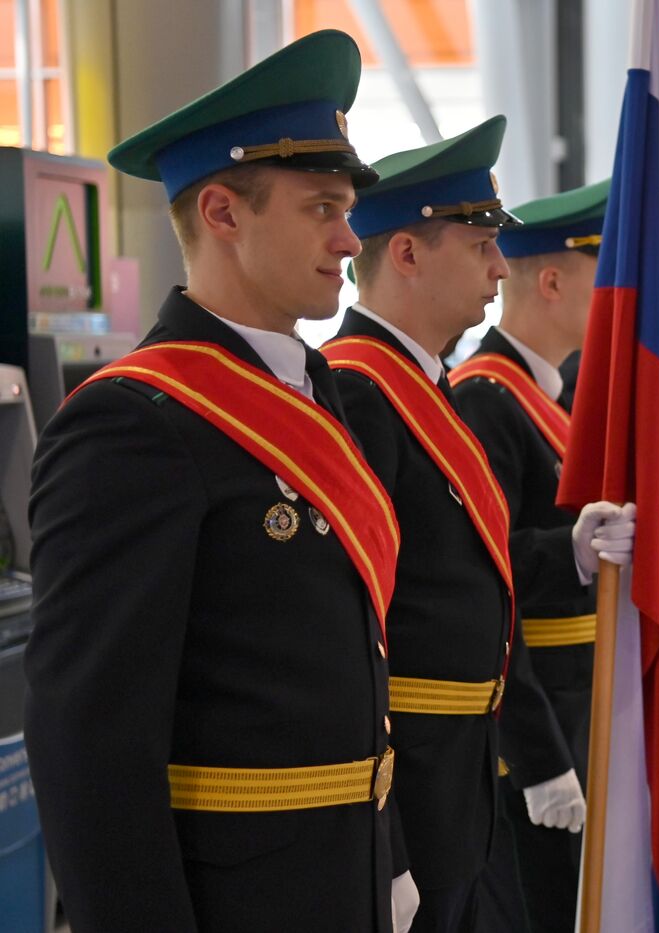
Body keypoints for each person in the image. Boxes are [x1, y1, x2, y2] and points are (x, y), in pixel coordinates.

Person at [24, 31, 415, 932]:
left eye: (348, 208)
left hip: (342, 874)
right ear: (224, 213)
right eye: (322, 207)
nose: (350, 238)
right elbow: (90, 744)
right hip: (232, 897)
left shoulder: (317, 391)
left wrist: (383, 854)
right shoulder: (132, 422)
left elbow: (356, 665)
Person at [448, 180, 636, 933]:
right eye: (603, 279)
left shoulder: (550, 394)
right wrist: (572, 551)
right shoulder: (487, 399)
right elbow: (478, 572)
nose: (616, 300)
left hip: (576, 689)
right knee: (542, 900)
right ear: (553, 281)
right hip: (532, 704)